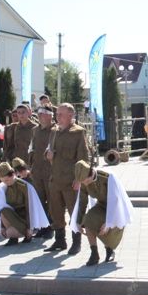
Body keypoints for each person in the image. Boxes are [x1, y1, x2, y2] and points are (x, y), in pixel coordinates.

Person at [44, 103, 89, 255]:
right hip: (55, 179)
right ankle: (60, 240)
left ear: (71, 116)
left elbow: (83, 158)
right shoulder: (54, 131)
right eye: (57, 114)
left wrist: (79, 179)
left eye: (61, 114)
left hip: (71, 181)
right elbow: (48, 150)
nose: (58, 117)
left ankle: (76, 242)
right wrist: (47, 155)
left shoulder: (78, 133)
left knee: (74, 213)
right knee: (55, 211)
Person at [70, 160, 134, 266]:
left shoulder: (108, 178)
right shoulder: (84, 181)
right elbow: (82, 202)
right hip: (102, 206)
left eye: (85, 181)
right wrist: (78, 221)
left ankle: (109, 250)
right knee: (88, 220)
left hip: (116, 209)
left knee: (107, 229)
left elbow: (115, 202)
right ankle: (94, 253)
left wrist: (108, 223)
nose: (84, 184)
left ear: (90, 174)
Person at [0, 162, 49, 246]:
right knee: (3, 211)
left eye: (7, 180)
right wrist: (2, 227)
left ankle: (27, 234)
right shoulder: (3, 187)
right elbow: (0, 207)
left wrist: (29, 228)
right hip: (13, 217)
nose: (6, 183)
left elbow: (30, 208)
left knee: (10, 232)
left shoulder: (24, 186)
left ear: (12, 175)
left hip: (24, 219)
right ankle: (13, 238)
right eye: (3, 181)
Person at [29, 106, 55, 239]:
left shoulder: (56, 130)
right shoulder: (35, 130)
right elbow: (31, 149)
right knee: (39, 199)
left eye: (43, 114)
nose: (40, 116)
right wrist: (30, 166)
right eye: (38, 114)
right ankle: (42, 226)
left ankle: (51, 226)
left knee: (51, 200)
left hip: (50, 171)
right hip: (37, 170)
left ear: (50, 116)